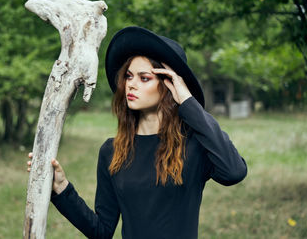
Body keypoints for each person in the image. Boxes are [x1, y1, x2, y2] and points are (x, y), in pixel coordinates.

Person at [27, 26, 247, 239]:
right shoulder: (111, 151)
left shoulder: (194, 146)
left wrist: (188, 102)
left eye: (144, 78)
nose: (130, 85)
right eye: (129, 76)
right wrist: (61, 188)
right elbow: (101, 231)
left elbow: (234, 171)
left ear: (169, 86)